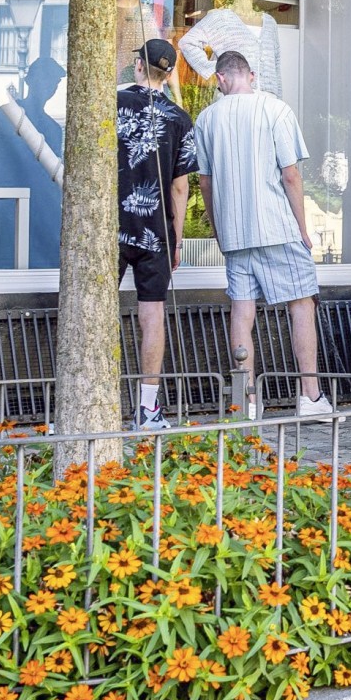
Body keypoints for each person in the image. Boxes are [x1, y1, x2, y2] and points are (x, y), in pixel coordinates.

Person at [191, 49, 330, 416]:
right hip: (277, 226)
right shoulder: (275, 109)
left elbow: (205, 182)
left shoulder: (206, 120)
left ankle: (247, 402)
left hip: (235, 233)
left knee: (242, 310)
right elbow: (291, 175)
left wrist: (219, 228)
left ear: (221, 78)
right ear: (250, 75)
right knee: (302, 304)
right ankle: (310, 397)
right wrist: (303, 228)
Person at [117, 38, 199, 430]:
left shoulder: (111, 105)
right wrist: (177, 237)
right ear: (168, 75)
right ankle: (147, 410)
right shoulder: (180, 119)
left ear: (137, 65)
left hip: (111, 228)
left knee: (99, 309)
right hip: (155, 233)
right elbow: (180, 187)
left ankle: (94, 394)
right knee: (152, 313)